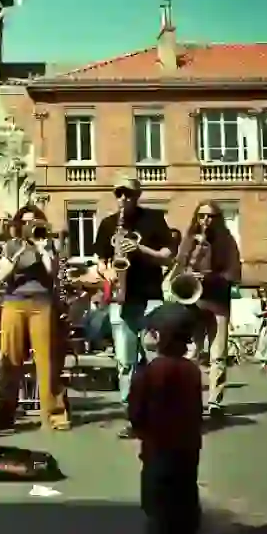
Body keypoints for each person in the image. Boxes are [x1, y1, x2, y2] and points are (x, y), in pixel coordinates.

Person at [93, 174, 175, 439]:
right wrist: (107, 272)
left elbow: (168, 257)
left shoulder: (153, 219)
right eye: (118, 193)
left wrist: (140, 249)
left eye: (128, 193)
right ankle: (134, 417)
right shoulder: (107, 224)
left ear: (137, 195)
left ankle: (160, 416)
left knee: (153, 359)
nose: (123, 198)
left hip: (150, 297)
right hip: (121, 299)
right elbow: (100, 261)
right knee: (125, 363)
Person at [127, 302, 203, 534]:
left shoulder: (150, 372)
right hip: (188, 446)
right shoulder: (191, 370)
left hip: (158, 446)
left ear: (157, 336)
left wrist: (138, 428)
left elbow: (136, 411)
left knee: (157, 501)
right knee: (185, 497)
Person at [0, 205, 71, 432]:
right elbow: (2, 275)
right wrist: (20, 253)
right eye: (25, 222)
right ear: (19, 225)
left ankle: (54, 414)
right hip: (14, 303)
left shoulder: (47, 244)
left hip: (42, 304)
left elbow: (53, 273)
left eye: (34, 221)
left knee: (47, 361)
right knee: (11, 360)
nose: (30, 225)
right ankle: (5, 415)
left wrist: (43, 249)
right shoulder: (11, 245)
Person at [172, 200, 242, 416]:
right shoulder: (189, 240)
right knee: (191, 352)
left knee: (218, 353)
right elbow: (178, 267)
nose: (205, 221)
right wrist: (187, 268)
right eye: (201, 216)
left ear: (217, 219)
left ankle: (215, 402)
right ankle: (188, 399)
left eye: (210, 216)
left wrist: (209, 278)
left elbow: (234, 274)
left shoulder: (227, 241)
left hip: (218, 302)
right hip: (193, 303)